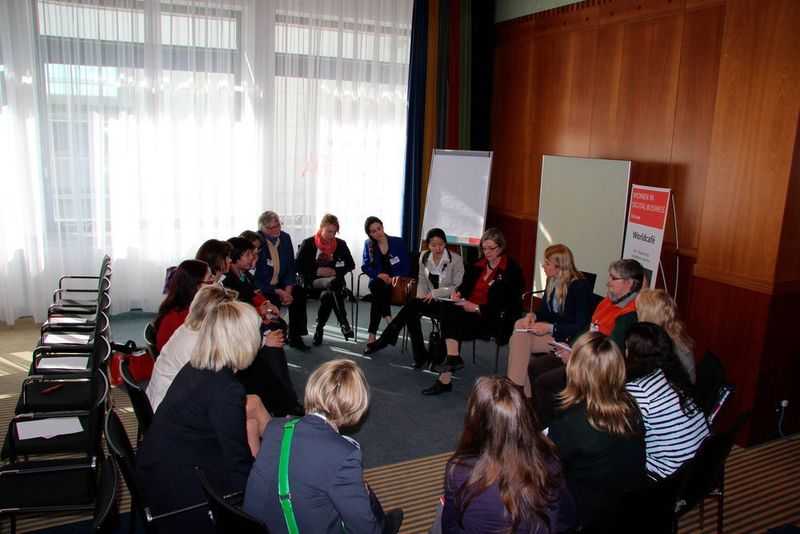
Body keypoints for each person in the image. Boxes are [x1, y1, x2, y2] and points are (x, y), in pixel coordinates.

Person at [137, 300, 262, 533]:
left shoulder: (198, 365)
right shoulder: (226, 389)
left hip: (160, 467)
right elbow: (237, 461)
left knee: (251, 430)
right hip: (181, 492)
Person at [244, 359, 404, 533]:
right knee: (364, 498)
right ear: (356, 406)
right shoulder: (345, 454)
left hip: (254, 526)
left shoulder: (275, 427)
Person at [442, 376, 575, 533]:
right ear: (525, 417)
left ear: (475, 420)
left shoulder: (460, 470)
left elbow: (450, 527)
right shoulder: (550, 461)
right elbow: (567, 518)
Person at [548, 332, 645, 532]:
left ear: (575, 369)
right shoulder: (631, 406)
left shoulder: (569, 422)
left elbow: (548, 473)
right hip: (628, 507)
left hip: (585, 517)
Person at [529, 258, 644, 426]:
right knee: (535, 366)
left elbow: (610, 351)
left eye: (613, 278)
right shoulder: (607, 301)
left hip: (594, 365)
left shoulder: (629, 314)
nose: (608, 281)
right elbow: (587, 329)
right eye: (609, 276)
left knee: (545, 383)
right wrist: (569, 345)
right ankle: (541, 415)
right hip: (581, 351)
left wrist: (576, 355)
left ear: (629, 283)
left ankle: (551, 428)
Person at [423, 228, 524, 395]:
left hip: (491, 317)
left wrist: (477, 307)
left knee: (452, 322)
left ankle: (446, 377)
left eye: (492, 248)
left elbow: (508, 303)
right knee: (449, 308)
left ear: (501, 247)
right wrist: (458, 294)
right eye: (484, 248)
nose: (487, 252)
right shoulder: (478, 264)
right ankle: (452, 359)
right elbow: (464, 286)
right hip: (469, 312)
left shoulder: (512, 270)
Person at [364, 228, 465, 368]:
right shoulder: (424, 256)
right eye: (433, 245)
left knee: (410, 309)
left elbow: (457, 286)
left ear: (445, 243)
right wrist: (421, 299)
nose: (437, 248)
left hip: (448, 303)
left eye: (441, 244)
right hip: (429, 299)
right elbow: (422, 280)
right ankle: (419, 355)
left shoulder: (456, 260)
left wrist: (434, 294)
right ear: (428, 245)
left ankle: (385, 341)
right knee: (412, 308)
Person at [624, 322, 709, 480]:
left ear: (634, 354)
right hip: (701, 467)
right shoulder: (674, 377)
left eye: (627, 347)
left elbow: (621, 435)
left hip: (669, 480)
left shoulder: (640, 390)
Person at [507, 244, 592, 397]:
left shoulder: (579, 286)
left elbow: (581, 324)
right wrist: (533, 316)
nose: (543, 266)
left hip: (567, 339)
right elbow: (546, 313)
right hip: (554, 332)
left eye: (547, 263)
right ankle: (521, 392)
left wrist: (551, 328)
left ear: (559, 266)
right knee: (521, 326)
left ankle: (517, 390)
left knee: (519, 339)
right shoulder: (552, 281)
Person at [295, 214, 356, 345]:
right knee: (333, 286)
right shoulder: (308, 243)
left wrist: (335, 271)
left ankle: (319, 328)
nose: (331, 235)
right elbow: (297, 265)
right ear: (321, 228)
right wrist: (316, 270)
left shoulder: (340, 244)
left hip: (333, 282)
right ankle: (343, 323)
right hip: (313, 283)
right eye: (329, 231)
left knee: (329, 293)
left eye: (334, 232)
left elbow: (351, 264)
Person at [254, 211, 309, 351]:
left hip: (283, 284)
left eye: (279, 225)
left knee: (300, 294)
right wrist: (277, 291)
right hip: (265, 287)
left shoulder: (285, 238)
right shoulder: (257, 241)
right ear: (263, 229)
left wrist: (288, 291)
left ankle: (295, 335)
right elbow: (255, 278)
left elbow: (291, 266)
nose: (278, 229)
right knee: (273, 304)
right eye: (273, 227)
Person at [361, 216, 411, 345]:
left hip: (396, 284)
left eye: (379, 228)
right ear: (369, 233)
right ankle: (390, 322)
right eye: (373, 231)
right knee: (378, 286)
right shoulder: (369, 244)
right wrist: (378, 274)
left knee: (377, 297)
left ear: (383, 226)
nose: (377, 233)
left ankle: (372, 335)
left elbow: (406, 266)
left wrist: (393, 279)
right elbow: (364, 266)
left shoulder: (397, 242)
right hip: (379, 282)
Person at [635, 288, 697, 383]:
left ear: (648, 317)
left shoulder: (664, 347)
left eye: (638, 312)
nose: (637, 317)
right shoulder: (674, 331)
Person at [153, 259, 214, 352]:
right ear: (194, 286)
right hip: (182, 363)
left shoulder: (185, 307)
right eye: (209, 281)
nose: (214, 284)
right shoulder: (183, 317)